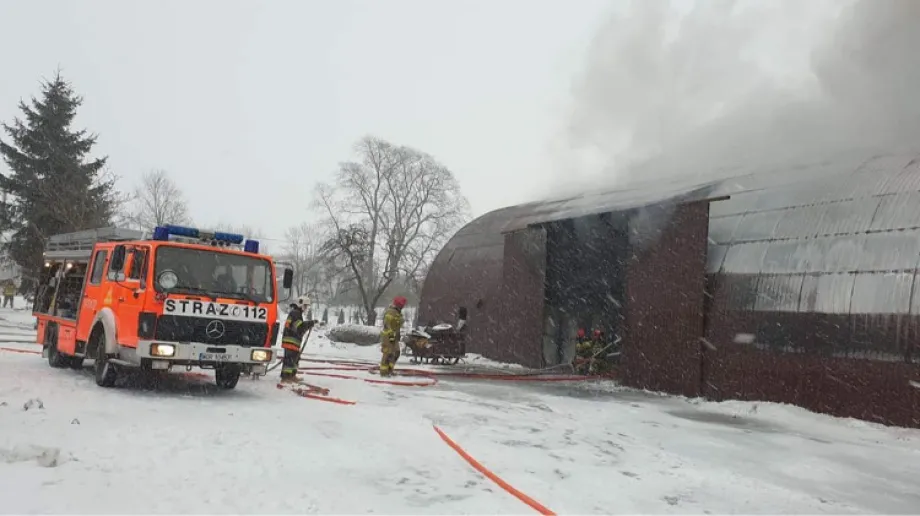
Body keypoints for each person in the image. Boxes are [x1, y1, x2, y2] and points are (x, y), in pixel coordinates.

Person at [280, 296, 316, 382]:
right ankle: (286, 377)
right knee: (290, 360)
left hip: (293, 341)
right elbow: (299, 327)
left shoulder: (296, 313)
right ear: (301, 304)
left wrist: (310, 324)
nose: (306, 308)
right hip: (290, 341)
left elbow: (299, 328)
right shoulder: (295, 313)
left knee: (295, 359)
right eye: (305, 306)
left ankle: (292, 375)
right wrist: (311, 323)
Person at [379, 296, 407, 377]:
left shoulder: (398, 312)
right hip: (388, 336)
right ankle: (384, 372)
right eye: (402, 305)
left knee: (396, 353)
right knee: (388, 353)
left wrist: (398, 335)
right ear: (398, 304)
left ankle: (390, 369)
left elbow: (397, 325)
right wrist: (391, 336)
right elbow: (387, 324)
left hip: (394, 336)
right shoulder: (391, 312)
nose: (403, 306)